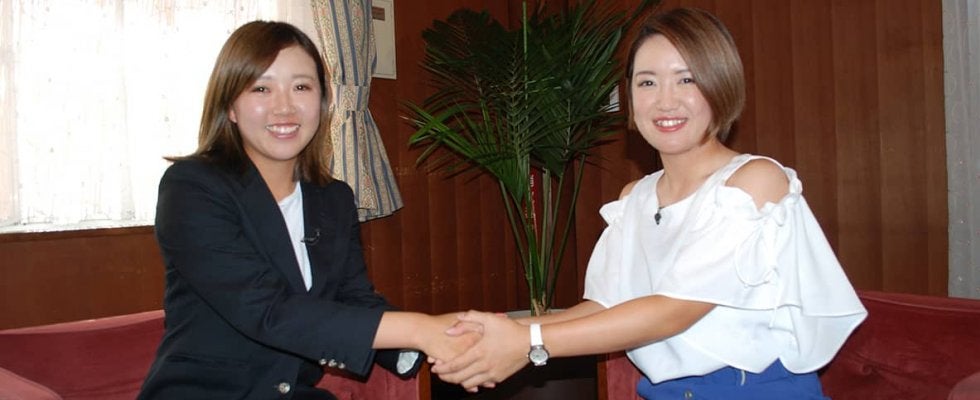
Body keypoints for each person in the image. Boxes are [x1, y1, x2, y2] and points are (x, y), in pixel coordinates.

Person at [431, 8, 867, 399]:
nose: (665, 101)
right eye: (647, 82)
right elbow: (606, 306)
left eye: (687, 79)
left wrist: (528, 342)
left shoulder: (755, 182)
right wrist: (501, 330)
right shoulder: (634, 198)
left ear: (721, 85)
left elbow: (674, 310)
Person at [138, 21, 476, 399]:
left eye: (301, 87)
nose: (284, 107)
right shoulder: (192, 187)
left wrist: (446, 342)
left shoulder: (333, 199)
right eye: (261, 88)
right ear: (230, 106)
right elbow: (267, 311)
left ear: (322, 101)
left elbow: (353, 298)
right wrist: (421, 330)